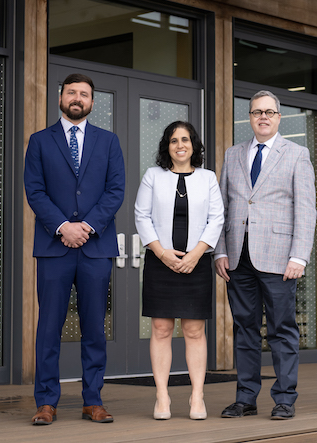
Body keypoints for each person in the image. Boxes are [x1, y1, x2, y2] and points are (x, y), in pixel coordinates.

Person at [24, 73, 125, 425]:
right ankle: (46, 402)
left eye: (84, 94)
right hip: (54, 246)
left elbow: (115, 191)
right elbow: (35, 191)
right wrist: (64, 226)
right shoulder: (39, 141)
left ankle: (92, 400)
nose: (77, 98)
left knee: (94, 327)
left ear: (93, 102)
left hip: (96, 247)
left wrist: (86, 227)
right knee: (49, 327)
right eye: (71, 93)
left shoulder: (109, 141)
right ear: (61, 97)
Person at [214, 90, 316, 421]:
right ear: (249, 117)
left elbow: (306, 209)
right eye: (257, 112)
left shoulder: (297, 154)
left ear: (279, 117)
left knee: (281, 329)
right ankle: (245, 398)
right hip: (238, 258)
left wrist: (299, 256)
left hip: (279, 257)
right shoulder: (233, 154)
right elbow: (222, 208)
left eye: (269, 112)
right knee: (244, 329)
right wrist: (219, 251)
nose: (263, 117)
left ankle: (284, 398)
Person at [134, 121, 224, 421]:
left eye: (185, 139)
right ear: (167, 147)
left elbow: (216, 219)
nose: (180, 145)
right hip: (160, 264)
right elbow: (141, 216)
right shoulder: (152, 177)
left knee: (194, 331)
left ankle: (197, 397)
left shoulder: (208, 178)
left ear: (194, 145)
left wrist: (196, 255)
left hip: (196, 264)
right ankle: (162, 396)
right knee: (160, 329)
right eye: (174, 140)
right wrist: (162, 253)